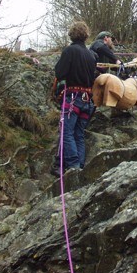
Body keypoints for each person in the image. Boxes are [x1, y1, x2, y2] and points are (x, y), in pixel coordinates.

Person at [51, 21, 96, 175]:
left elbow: (60, 72)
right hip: (87, 100)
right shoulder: (91, 55)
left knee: (66, 132)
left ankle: (73, 167)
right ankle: (80, 166)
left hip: (73, 97)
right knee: (78, 134)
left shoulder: (70, 51)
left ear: (71, 34)